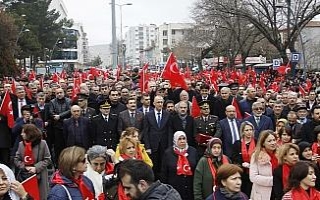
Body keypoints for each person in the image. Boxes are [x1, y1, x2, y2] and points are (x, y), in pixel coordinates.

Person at [14, 124, 51, 200]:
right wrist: (25, 167)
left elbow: (47, 159)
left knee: (40, 197)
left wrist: (36, 168)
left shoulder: (42, 143)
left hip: (40, 176)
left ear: (29, 133)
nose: (21, 134)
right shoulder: (21, 144)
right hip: (25, 176)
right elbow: (16, 159)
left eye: (23, 132)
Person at [161, 131, 198, 200]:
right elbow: (164, 174)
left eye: (184, 138)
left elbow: (197, 171)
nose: (182, 141)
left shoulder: (193, 151)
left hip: (190, 189)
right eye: (179, 139)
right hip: (174, 190)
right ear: (175, 140)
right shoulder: (168, 153)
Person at [250, 130, 278, 200]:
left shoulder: (280, 154)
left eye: (274, 140)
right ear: (263, 143)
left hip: (278, 191)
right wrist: (273, 181)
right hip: (263, 193)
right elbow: (253, 177)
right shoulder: (256, 155)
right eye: (269, 141)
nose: (273, 143)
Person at [231, 121, 256, 197]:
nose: (249, 132)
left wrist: (251, 165)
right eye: (247, 130)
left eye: (251, 130)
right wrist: (242, 163)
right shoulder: (237, 143)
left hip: (254, 172)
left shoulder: (257, 142)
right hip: (242, 173)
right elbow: (234, 157)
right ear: (242, 132)